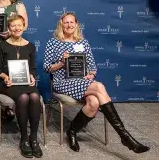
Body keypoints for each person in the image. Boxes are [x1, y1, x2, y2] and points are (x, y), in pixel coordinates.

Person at [43, 12, 150, 153]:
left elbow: (92, 67)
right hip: (62, 82)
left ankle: (72, 131)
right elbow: (47, 68)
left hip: (83, 81)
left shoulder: (83, 42)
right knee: (99, 86)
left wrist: (91, 74)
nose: (69, 25)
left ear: (76, 24)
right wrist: (61, 63)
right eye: (66, 22)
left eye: (72, 22)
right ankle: (125, 137)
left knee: (94, 103)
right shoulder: (54, 42)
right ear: (61, 24)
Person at [0, 15, 42, 158]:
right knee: (23, 98)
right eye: (13, 26)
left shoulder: (30, 46)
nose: (16, 28)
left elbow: (32, 68)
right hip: (7, 83)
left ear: (24, 26)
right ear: (9, 28)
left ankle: (34, 138)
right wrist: (5, 77)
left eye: (19, 25)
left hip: (25, 82)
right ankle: (24, 139)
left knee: (34, 96)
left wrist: (32, 77)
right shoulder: (2, 45)